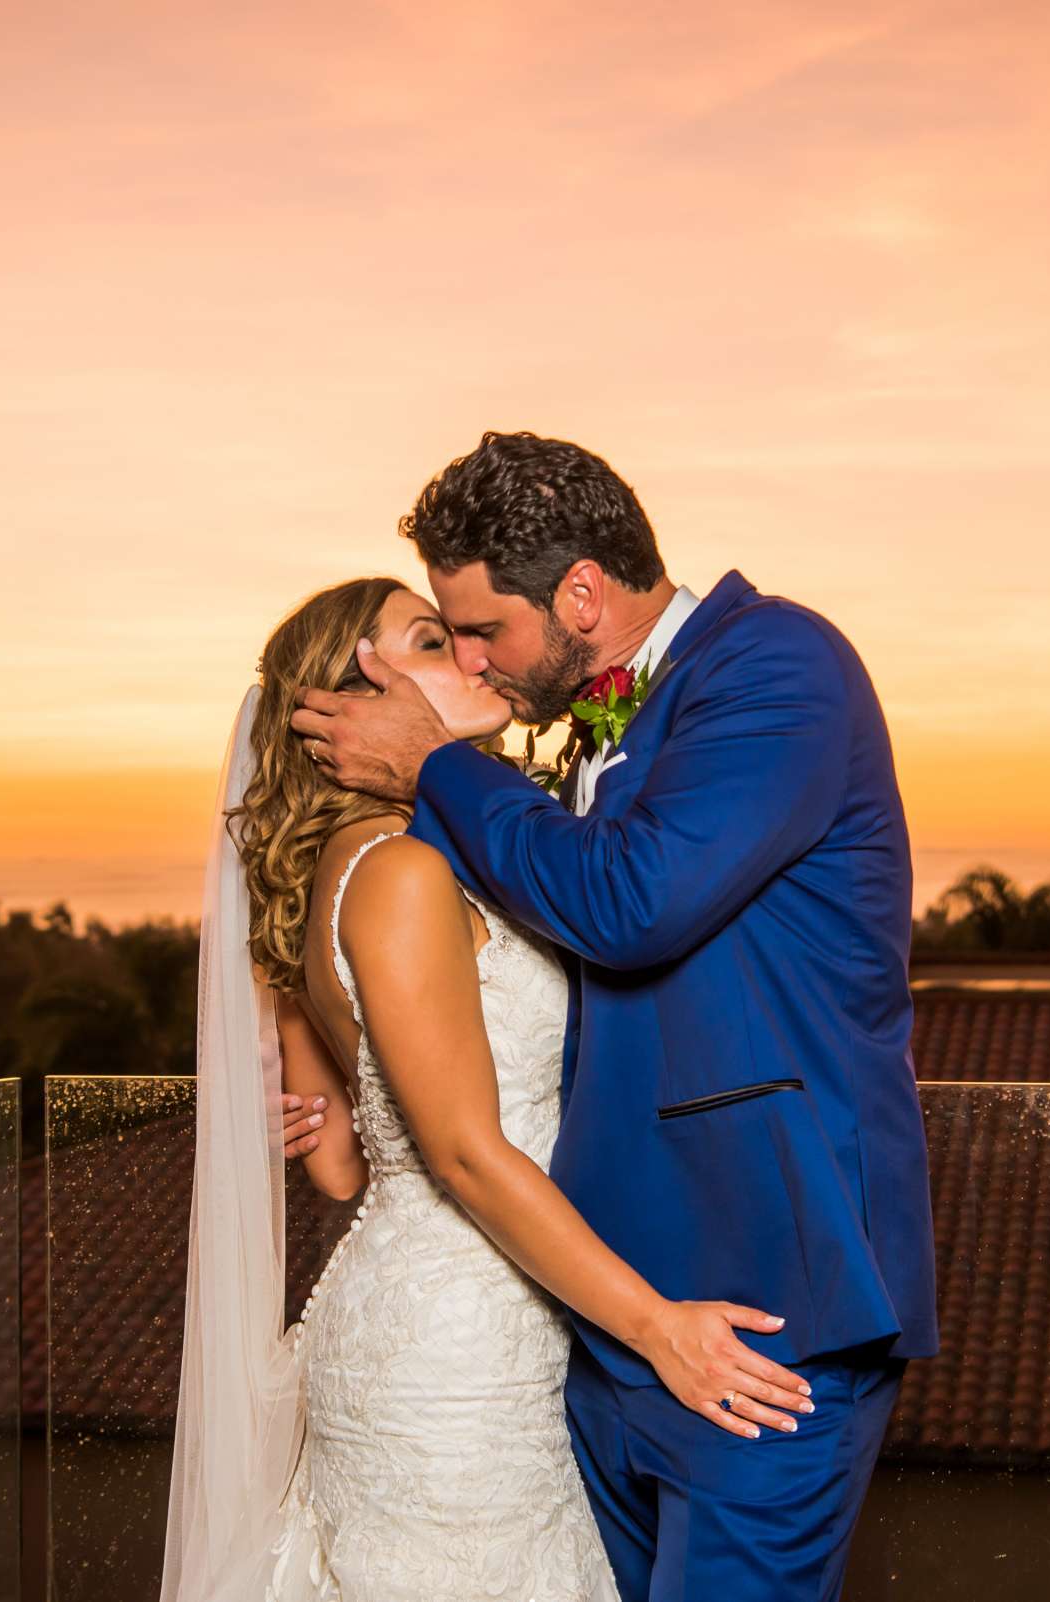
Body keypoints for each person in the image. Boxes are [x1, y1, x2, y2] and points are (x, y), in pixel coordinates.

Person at [292, 432, 940, 1602]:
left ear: (582, 593)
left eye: (483, 627)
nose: (479, 661)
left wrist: (437, 766)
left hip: (765, 1310)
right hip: (606, 1328)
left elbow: (632, 903)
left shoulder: (778, 664)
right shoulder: (577, 743)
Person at [161, 576, 811, 1602]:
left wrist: (315, 1109)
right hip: (462, 1354)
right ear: (360, 699)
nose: (470, 658)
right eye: (430, 640)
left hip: (438, 1310)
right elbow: (463, 1151)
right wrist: (659, 1329)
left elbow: (337, 1167)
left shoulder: (347, 869)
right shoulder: (402, 875)